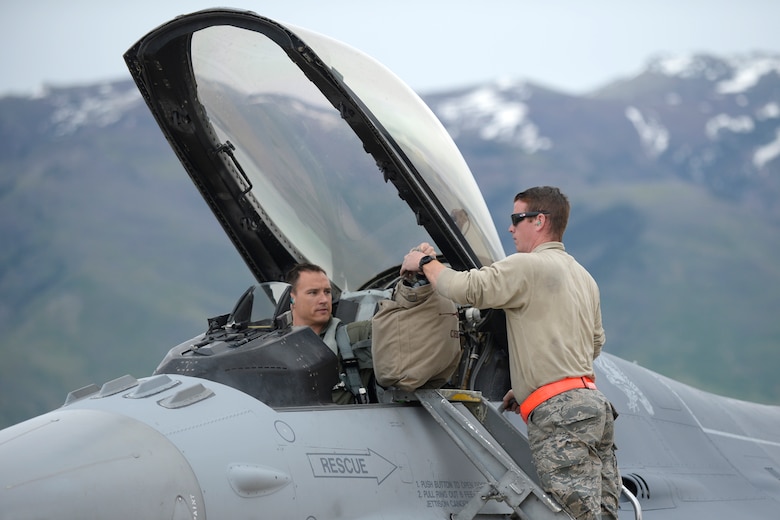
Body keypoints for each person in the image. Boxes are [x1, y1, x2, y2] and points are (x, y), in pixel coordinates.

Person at [401, 186, 620, 520]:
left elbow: (466, 288)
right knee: (601, 514)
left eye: (517, 219)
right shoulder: (583, 276)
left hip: (560, 416)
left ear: (540, 221)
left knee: (570, 515)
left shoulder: (526, 267)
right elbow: (594, 345)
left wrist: (426, 263)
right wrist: (531, 384)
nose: (510, 228)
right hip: (593, 407)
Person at [286, 263, 373, 404]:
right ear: (292, 298)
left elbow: (397, 327)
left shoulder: (353, 335)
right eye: (313, 292)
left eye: (327, 292)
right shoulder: (275, 342)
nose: (324, 300)